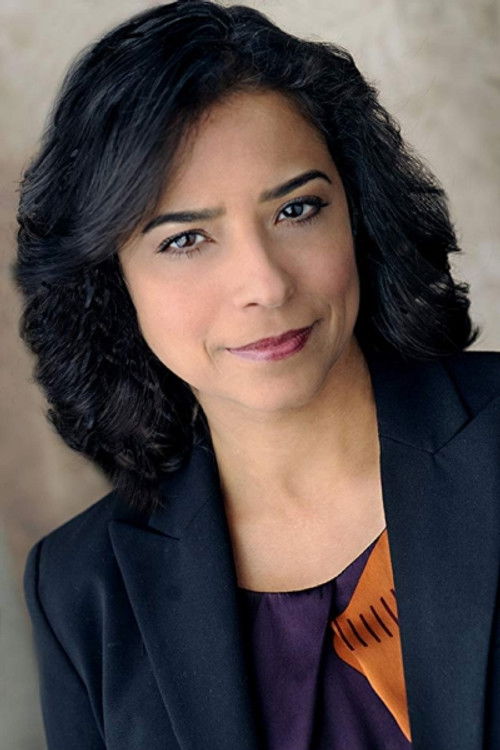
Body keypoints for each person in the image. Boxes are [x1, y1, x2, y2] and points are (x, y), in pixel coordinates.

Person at [12, 2, 500, 749]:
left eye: (297, 210)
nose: (266, 285)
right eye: (186, 240)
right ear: (110, 284)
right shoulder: (81, 589)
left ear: (358, 214)